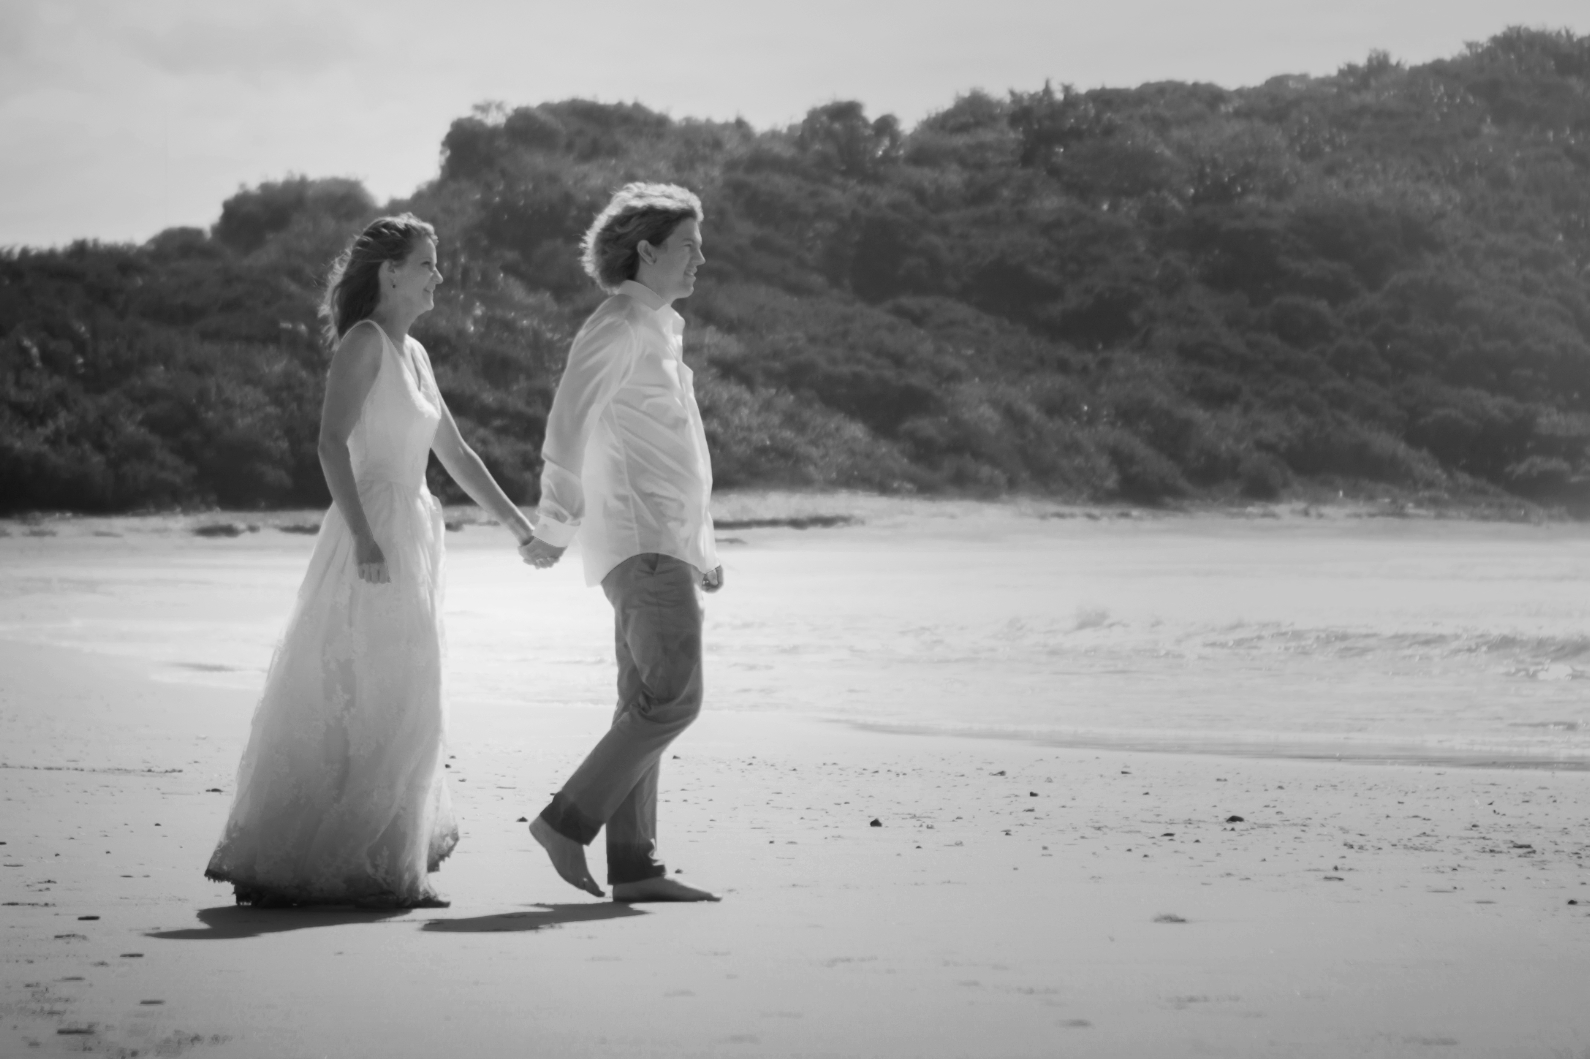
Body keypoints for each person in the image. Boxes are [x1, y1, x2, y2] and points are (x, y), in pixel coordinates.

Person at [205, 214, 537, 908]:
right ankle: (342, 862)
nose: (437, 276)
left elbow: (458, 453)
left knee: (411, 688)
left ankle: (389, 862)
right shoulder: (363, 343)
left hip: (414, 527)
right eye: (427, 263)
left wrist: (517, 524)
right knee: (361, 685)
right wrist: (362, 534)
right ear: (390, 274)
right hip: (372, 527)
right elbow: (329, 443)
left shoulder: (413, 353)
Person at [521, 183, 722, 902]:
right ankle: (566, 820)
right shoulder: (618, 326)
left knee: (641, 701)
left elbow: (679, 447)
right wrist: (553, 525)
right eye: (689, 245)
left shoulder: (661, 329)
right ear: (646, 250)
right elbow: (567, 426)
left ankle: (635, 866)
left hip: (665, 541)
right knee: (674, 699)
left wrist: (706, 545)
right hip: (640, 542)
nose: (702, 258)